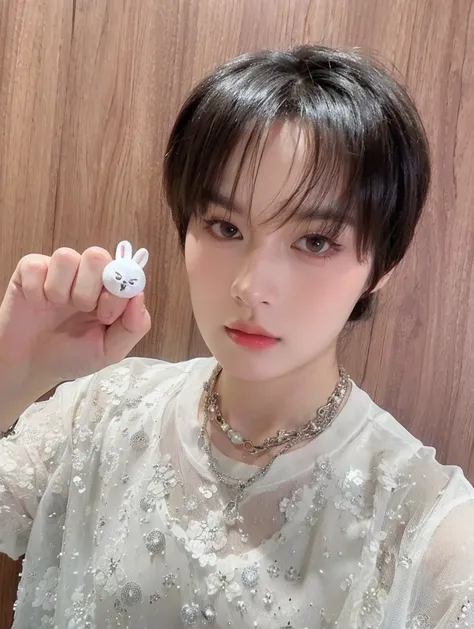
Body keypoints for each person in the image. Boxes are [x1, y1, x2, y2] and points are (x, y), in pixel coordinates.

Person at [0, 44, 473, 629]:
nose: (251, 287)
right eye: (225, 227)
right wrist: (14, 374)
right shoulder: (101, 412)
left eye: (315, 241)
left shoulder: (427, 529)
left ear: (380, 266)